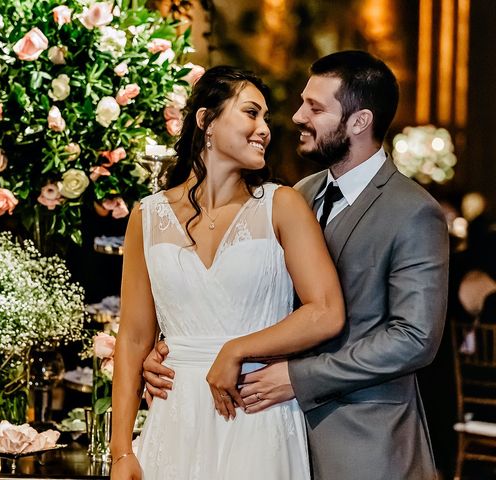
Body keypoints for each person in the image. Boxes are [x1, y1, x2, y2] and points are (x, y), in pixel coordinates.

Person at [143, 51, 450, 480]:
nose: (298, 116)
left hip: (364, 440)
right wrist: (172, 349)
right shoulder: (298, 194)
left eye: (316, 108)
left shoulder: (413, 211)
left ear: (359, 121)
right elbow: (256, 294)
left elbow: (413, 338)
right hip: (270, 430)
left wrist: (299, 376)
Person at [110, 66, 345, 480]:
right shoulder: (146, 217)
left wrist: (236, 349)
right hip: (175, 416)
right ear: (206, 121)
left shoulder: (283, 205)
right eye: (251, 113)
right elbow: (132, 338)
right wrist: (121, 451)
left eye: (266, 119)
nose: (264, 130)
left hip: (255, 409)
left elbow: (325, 310)